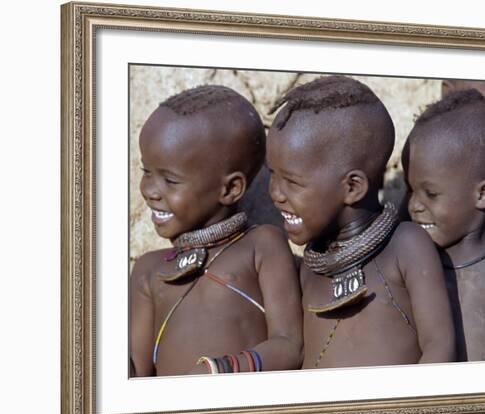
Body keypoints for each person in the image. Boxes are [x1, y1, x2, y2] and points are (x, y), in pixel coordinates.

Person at [266, 75, 455, 369]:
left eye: (291, 181)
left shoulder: (406, 245)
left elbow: (439, 347)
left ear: (352, 187)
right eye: (271, 174)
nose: (275, 193)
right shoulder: (313, 265)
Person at [130, 85, 303, 377]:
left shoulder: (261, 245)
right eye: (147, 171)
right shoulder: (148, 270)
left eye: (170, 181)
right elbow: (136, 370)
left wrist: (220, 371)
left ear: (230, 189)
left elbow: (289, 345)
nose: (149, 191)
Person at [402, 88, 485, 361]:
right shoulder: (406, 265)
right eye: (410, 190)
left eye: (430, 194)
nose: (414, 206)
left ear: (483, 194)